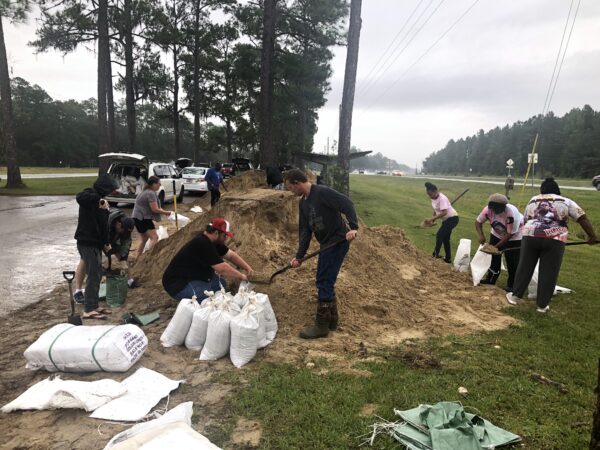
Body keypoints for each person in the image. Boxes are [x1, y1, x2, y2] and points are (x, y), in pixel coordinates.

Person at [284, 169, 358, 339]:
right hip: (326, 243)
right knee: (326, 279)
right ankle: (332, 320)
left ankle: (322, 325)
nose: (290, 191)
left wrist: (353, 227)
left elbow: (347, 204)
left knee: (324, 280)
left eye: (290, 187)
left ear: (297, 183)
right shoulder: (303, 203)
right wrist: (300, 256)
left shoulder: (322, 193)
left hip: (338, 241)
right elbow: (305, 230)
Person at [506, 178, 597, 313]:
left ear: (542, 190)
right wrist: (592, 236)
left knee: (525, 266)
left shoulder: (533, 200)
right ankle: (542, 305)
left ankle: (515, 297)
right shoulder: (566, 201)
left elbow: (525, 219)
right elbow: (582, 218)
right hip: (555, 238)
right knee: (549, 271)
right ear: (557, 190)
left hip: (530, 235)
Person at [162, 218, 253, 302]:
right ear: (216, 233)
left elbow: (231, 256)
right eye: (224, 236)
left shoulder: (214, 242)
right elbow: (222, 269)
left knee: (221, 284)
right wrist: (242, 277)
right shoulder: (202, 243)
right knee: (209, 296)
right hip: (178, 285)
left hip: (194, 277)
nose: (226, 239)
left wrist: (248, 269)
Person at [74, 174, 117, 319]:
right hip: (86, 241)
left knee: (97, 274)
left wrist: (106, 243)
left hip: (96, 243)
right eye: (110, 189)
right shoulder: (89, 195)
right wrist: (99, 200)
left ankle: (94, 305)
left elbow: (103, 226)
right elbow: (79, 197)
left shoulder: (103, 201)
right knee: (92, 275)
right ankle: (88, 309)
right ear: (104, 187)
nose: (111, 192)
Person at [73, 208, 137, 303]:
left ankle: (130, 281)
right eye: (123, 231)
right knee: (85, 259)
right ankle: (78, 292)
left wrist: (123, 257)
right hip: (91, 237)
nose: (124, 234)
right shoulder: (103, 220)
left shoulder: (125, 226)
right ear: (119, 224)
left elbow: (126, 242)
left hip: (108, 236)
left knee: (123, 256)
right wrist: (104, 244)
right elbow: (96, 235)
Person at [475, 193, 523, 291]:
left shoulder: (511, 214)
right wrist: (481, 235)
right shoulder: (487, 210)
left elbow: (510, 234)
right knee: (494, 258)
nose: (496, 212)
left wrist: (495, 247)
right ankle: (491, 279)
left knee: (512, 262)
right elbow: (478, 222)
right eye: (494, 209)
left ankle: (511, 286)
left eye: (499, 209)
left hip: (515, 237)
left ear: (504, 207)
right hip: (496, 233)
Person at [132, 175, 171, 259]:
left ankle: (138, 258)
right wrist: (166, 212)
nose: (160, 185)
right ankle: (149, 258)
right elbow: (155, 209)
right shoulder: (150, 193)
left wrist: (164, 212)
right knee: (154, 237)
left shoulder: (146, 191)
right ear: (154, 184)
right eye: (159, 184)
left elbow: (154, 208)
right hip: (142, 218)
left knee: (144, 238)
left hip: (137, 217)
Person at [424, 182, 459, 263]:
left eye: (430, 194)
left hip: (452, 219)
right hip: (446, 220)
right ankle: (448, 258)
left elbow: (444, 212)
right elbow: (436, 209)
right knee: (445, 239)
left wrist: (432, 218)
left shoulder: (442, 198)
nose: (429, 196)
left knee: (439, 235)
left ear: (436, 191)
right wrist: (433, 219)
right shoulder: (433, 198)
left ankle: (435, 255)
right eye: (428, 194)